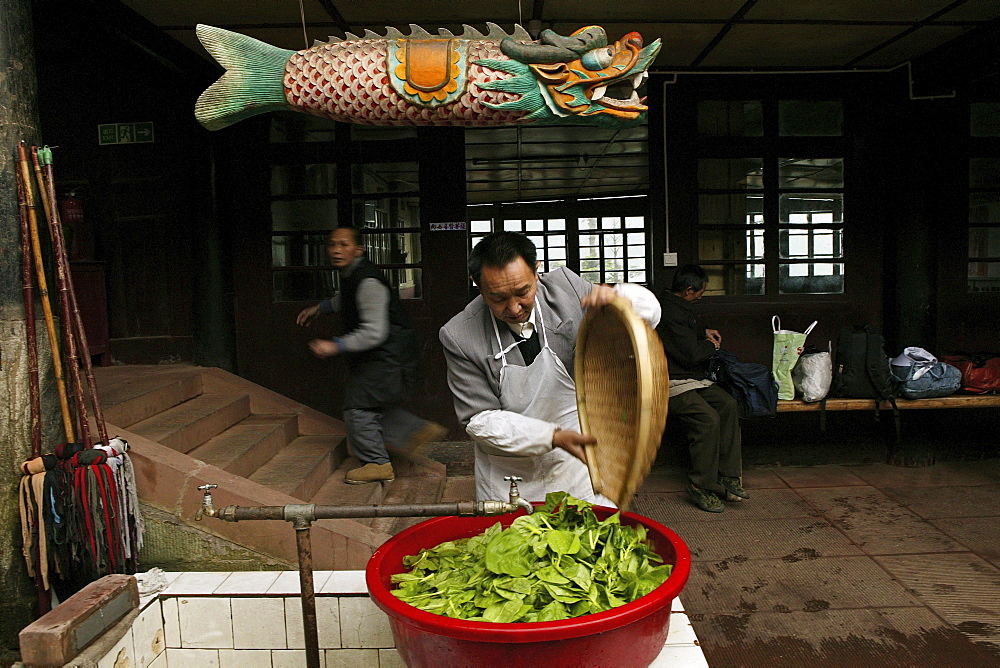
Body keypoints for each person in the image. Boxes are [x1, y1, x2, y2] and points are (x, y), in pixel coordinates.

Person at [439, 231, 661, 505]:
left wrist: (620, 299)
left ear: (537, 272)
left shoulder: (566, 288)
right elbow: (479, 420)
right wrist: (551, 437)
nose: (514, 307)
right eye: (498, 298)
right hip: (509, 469)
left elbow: (646, 317)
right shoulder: (459, 335)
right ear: (478, 285)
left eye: (523, 292)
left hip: (576, 457)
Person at [297, 227, 445, 484]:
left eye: (344, 244)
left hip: (388, 357)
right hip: (385, 358)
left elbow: (375, 332)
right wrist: (320, 308)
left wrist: (336, 345)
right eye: (332, 244)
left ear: (358, 250)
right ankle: (415, 430)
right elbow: (347, 299)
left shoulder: (368, 281)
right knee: (371, 404)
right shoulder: (355, 275)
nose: (336, 250)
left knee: (358, 407)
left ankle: (377, 463)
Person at [656, 264, 747, 513]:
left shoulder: (679, 306)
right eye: (699, 292)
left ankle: (728, 476)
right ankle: (701, 486)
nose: (701, 296)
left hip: (691, 378)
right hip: (671, 381)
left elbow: (687, 336)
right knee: (707, 420)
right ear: (688, 290)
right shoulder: (668, 312)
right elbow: (690, 354)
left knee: (728, 404)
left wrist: (703, 332)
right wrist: (712, 347)